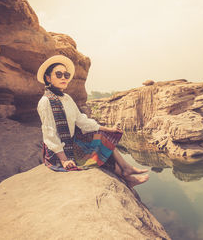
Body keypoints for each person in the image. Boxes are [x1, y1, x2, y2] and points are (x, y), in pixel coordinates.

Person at [36, 55, 149, 188]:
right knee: (97, 154)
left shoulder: (66, 98)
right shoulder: (45, 102)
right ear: (48, 78)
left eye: (66, 75)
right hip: (58, 153)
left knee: (102, 137)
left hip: (71, 143)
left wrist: (108, 129)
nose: (63, 78)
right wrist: (64, 160)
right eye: (59, 74)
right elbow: (49, 134)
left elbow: (81, 120)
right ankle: (127, 174)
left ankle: (126, 168)